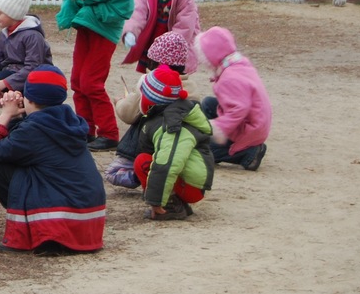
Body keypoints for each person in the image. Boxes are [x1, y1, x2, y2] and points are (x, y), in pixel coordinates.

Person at [0, 65, 106, 254]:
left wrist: (5, 115)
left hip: (60, 221)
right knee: (33, 166)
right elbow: (22, 143)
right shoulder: (71, 121)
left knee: (3, 170)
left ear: (28, 99)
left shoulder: (33, 131)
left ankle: (36, 229)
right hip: (90, 219)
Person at [55, 0, 133, 151]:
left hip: (103, 30)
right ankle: (85, 129)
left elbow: (126, 3)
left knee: (91, 82)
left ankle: (109, 133)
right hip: (87, 26)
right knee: (78, 79)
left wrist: (98, 13)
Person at [106, 31, 192, 188]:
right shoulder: (190, 89)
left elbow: (129, 114)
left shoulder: (148, 83)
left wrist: (120, 102)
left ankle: (139, 174)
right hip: (180, 149)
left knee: (112, 173)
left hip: (147, 146)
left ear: (156, 62)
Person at [130, 65, 215, 220]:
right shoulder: (173, 114)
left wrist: (155, 200)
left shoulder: (171, 124)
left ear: (150, 98)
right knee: (149, 158)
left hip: (192, 186)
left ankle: (169, 206)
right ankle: (177, 202)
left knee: (142, 162)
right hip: (190, 180)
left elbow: (167, 163)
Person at [197, 26, 271, 172]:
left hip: (250, 128)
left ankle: (248, 154)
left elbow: (239, 109)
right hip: (257, 121)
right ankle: (207, 139)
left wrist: (221, 127)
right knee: (208, 104)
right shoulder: (238, 64)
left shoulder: (229, 78)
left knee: (203, 153)